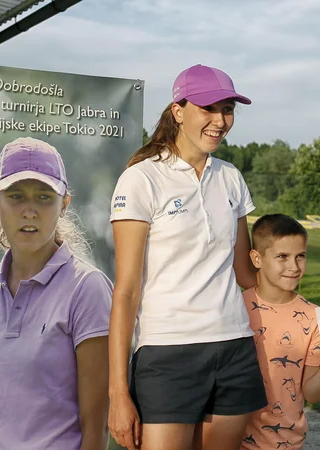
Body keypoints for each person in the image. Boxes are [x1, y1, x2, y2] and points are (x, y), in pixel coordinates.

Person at [108, 64, 267, 450]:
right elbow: (126, 292)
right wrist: (117, 393)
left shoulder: (231, 177)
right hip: (167, 351)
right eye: (208, 108)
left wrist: (296, 287)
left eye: (227, 109)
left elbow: (245, 272)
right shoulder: (142, 178)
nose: (220, 121)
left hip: (234, 346)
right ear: (178, 111)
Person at [0, 137, 112, 450]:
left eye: (44, 197)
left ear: (64, 204)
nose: (30, 211)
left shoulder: (87, 288)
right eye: (16, 197)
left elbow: (95, 430)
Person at [241, 213, 320, 450]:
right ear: (257, 258)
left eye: (300, 256)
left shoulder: (315, 318)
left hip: (287, 443)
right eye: (282, 257)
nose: (294, 267)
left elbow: (312, 394)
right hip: (232, 439)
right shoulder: (234, 308)